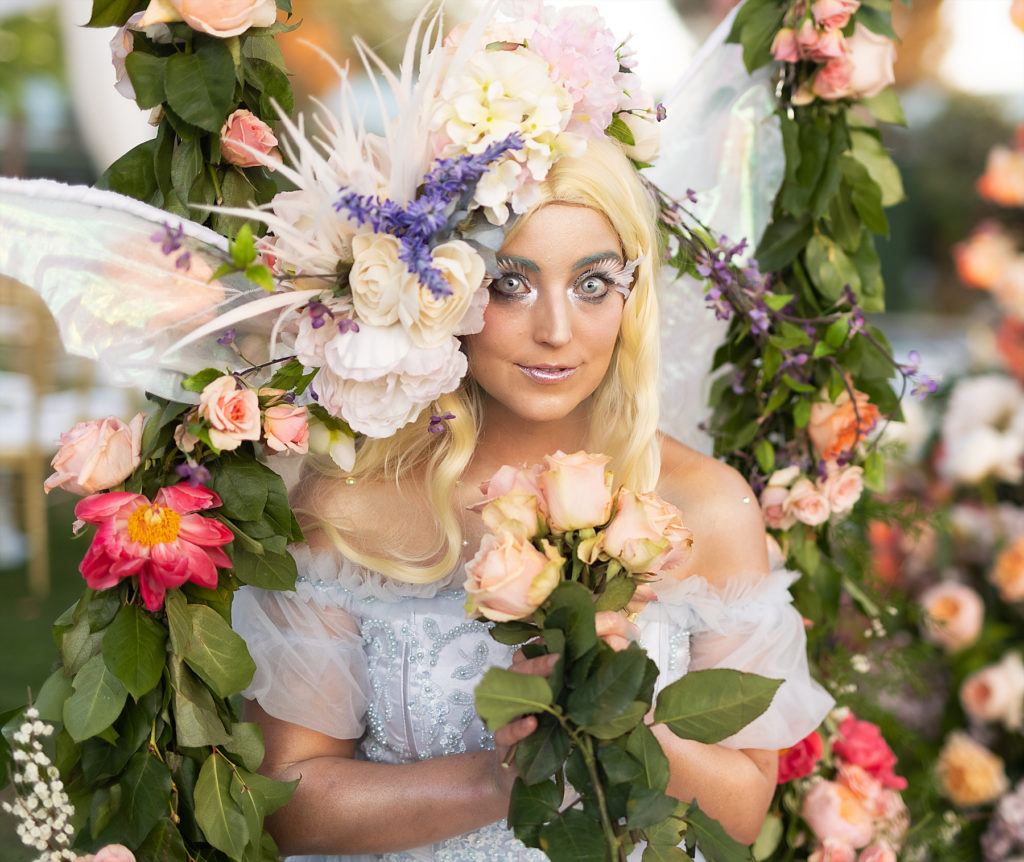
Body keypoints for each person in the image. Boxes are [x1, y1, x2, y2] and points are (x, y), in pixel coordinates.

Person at [230, 5, 834, 860]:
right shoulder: (350, 506)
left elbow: (738, 814)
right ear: (441, 290)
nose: (557, 329)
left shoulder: (704, 505)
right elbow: (290, 803)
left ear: (632, 294)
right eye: (510, 285)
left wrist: (615, 716)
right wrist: (499, 775)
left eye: (593, 284)